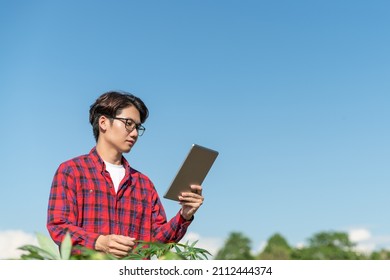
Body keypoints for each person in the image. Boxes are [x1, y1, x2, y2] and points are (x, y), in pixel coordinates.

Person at [47, 90, 204, 258]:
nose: (135, 133)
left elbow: (156, 243)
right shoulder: (72, 171)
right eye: (128, 123)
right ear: (103, 123)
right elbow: (58, 226)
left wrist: (184, 215)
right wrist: (100, 242)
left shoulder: (144, 184)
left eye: (137, 127)